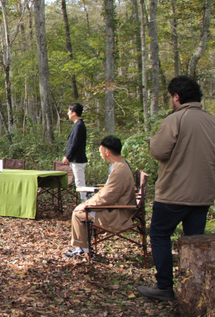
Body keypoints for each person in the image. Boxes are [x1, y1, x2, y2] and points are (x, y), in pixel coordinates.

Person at [137, 76, 215, 302]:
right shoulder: (211, 121)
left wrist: (153, 140)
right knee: (194, 241)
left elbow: (159, 152)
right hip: (203, 194)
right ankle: (196, 287)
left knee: (159, 234)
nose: (170, 100)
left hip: (174, 192)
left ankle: (164, 286)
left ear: (177, 97)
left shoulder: (176, 120)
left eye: (171, 96)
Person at [64, 136, 136, 258]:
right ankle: (82, 247)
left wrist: (86, 205)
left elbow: (108, 197)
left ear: (107, 151)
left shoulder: (120, 169)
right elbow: (108, 193)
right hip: (117, 206)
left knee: (78, 213)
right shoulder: (119, 165)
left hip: (118, 212)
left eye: (100, 151)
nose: (100, 154)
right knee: (81, 209)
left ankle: (84, 250)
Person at [62, 103, 88, 202]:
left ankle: (85, 205)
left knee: (80, 183)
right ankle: (84, 204)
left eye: (69, 111)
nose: (68, 113)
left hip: (78, 159)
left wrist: (67, 156)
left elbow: (75, 143)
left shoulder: (79, 125)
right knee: (79, 182)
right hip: (76, 159)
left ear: (74, 113)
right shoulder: (77, 125)